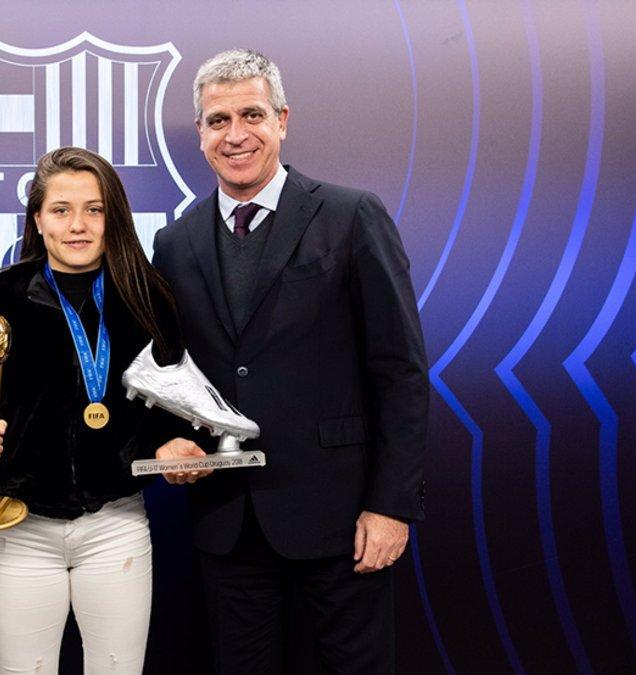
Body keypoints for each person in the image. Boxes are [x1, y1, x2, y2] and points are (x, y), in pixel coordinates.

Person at [151, 49, 428, 673]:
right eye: (218, 120)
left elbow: (400, 370)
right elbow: (174, 374)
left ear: (282, 120)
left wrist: (391, 506)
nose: (236, 134)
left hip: (344, 520)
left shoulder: (352, 216)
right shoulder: (175, 242)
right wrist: (171, 443)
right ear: (200, 135)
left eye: (251, 114)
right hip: (228, 526)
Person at [0, 147, 187, 675]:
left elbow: (171, 410)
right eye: (60, 210)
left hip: (116, 525)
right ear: (37, 218)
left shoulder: (147, 296)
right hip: (20, 527)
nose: (77, 225)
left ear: (113, 217)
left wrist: (175, 444)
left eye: (94, 209)